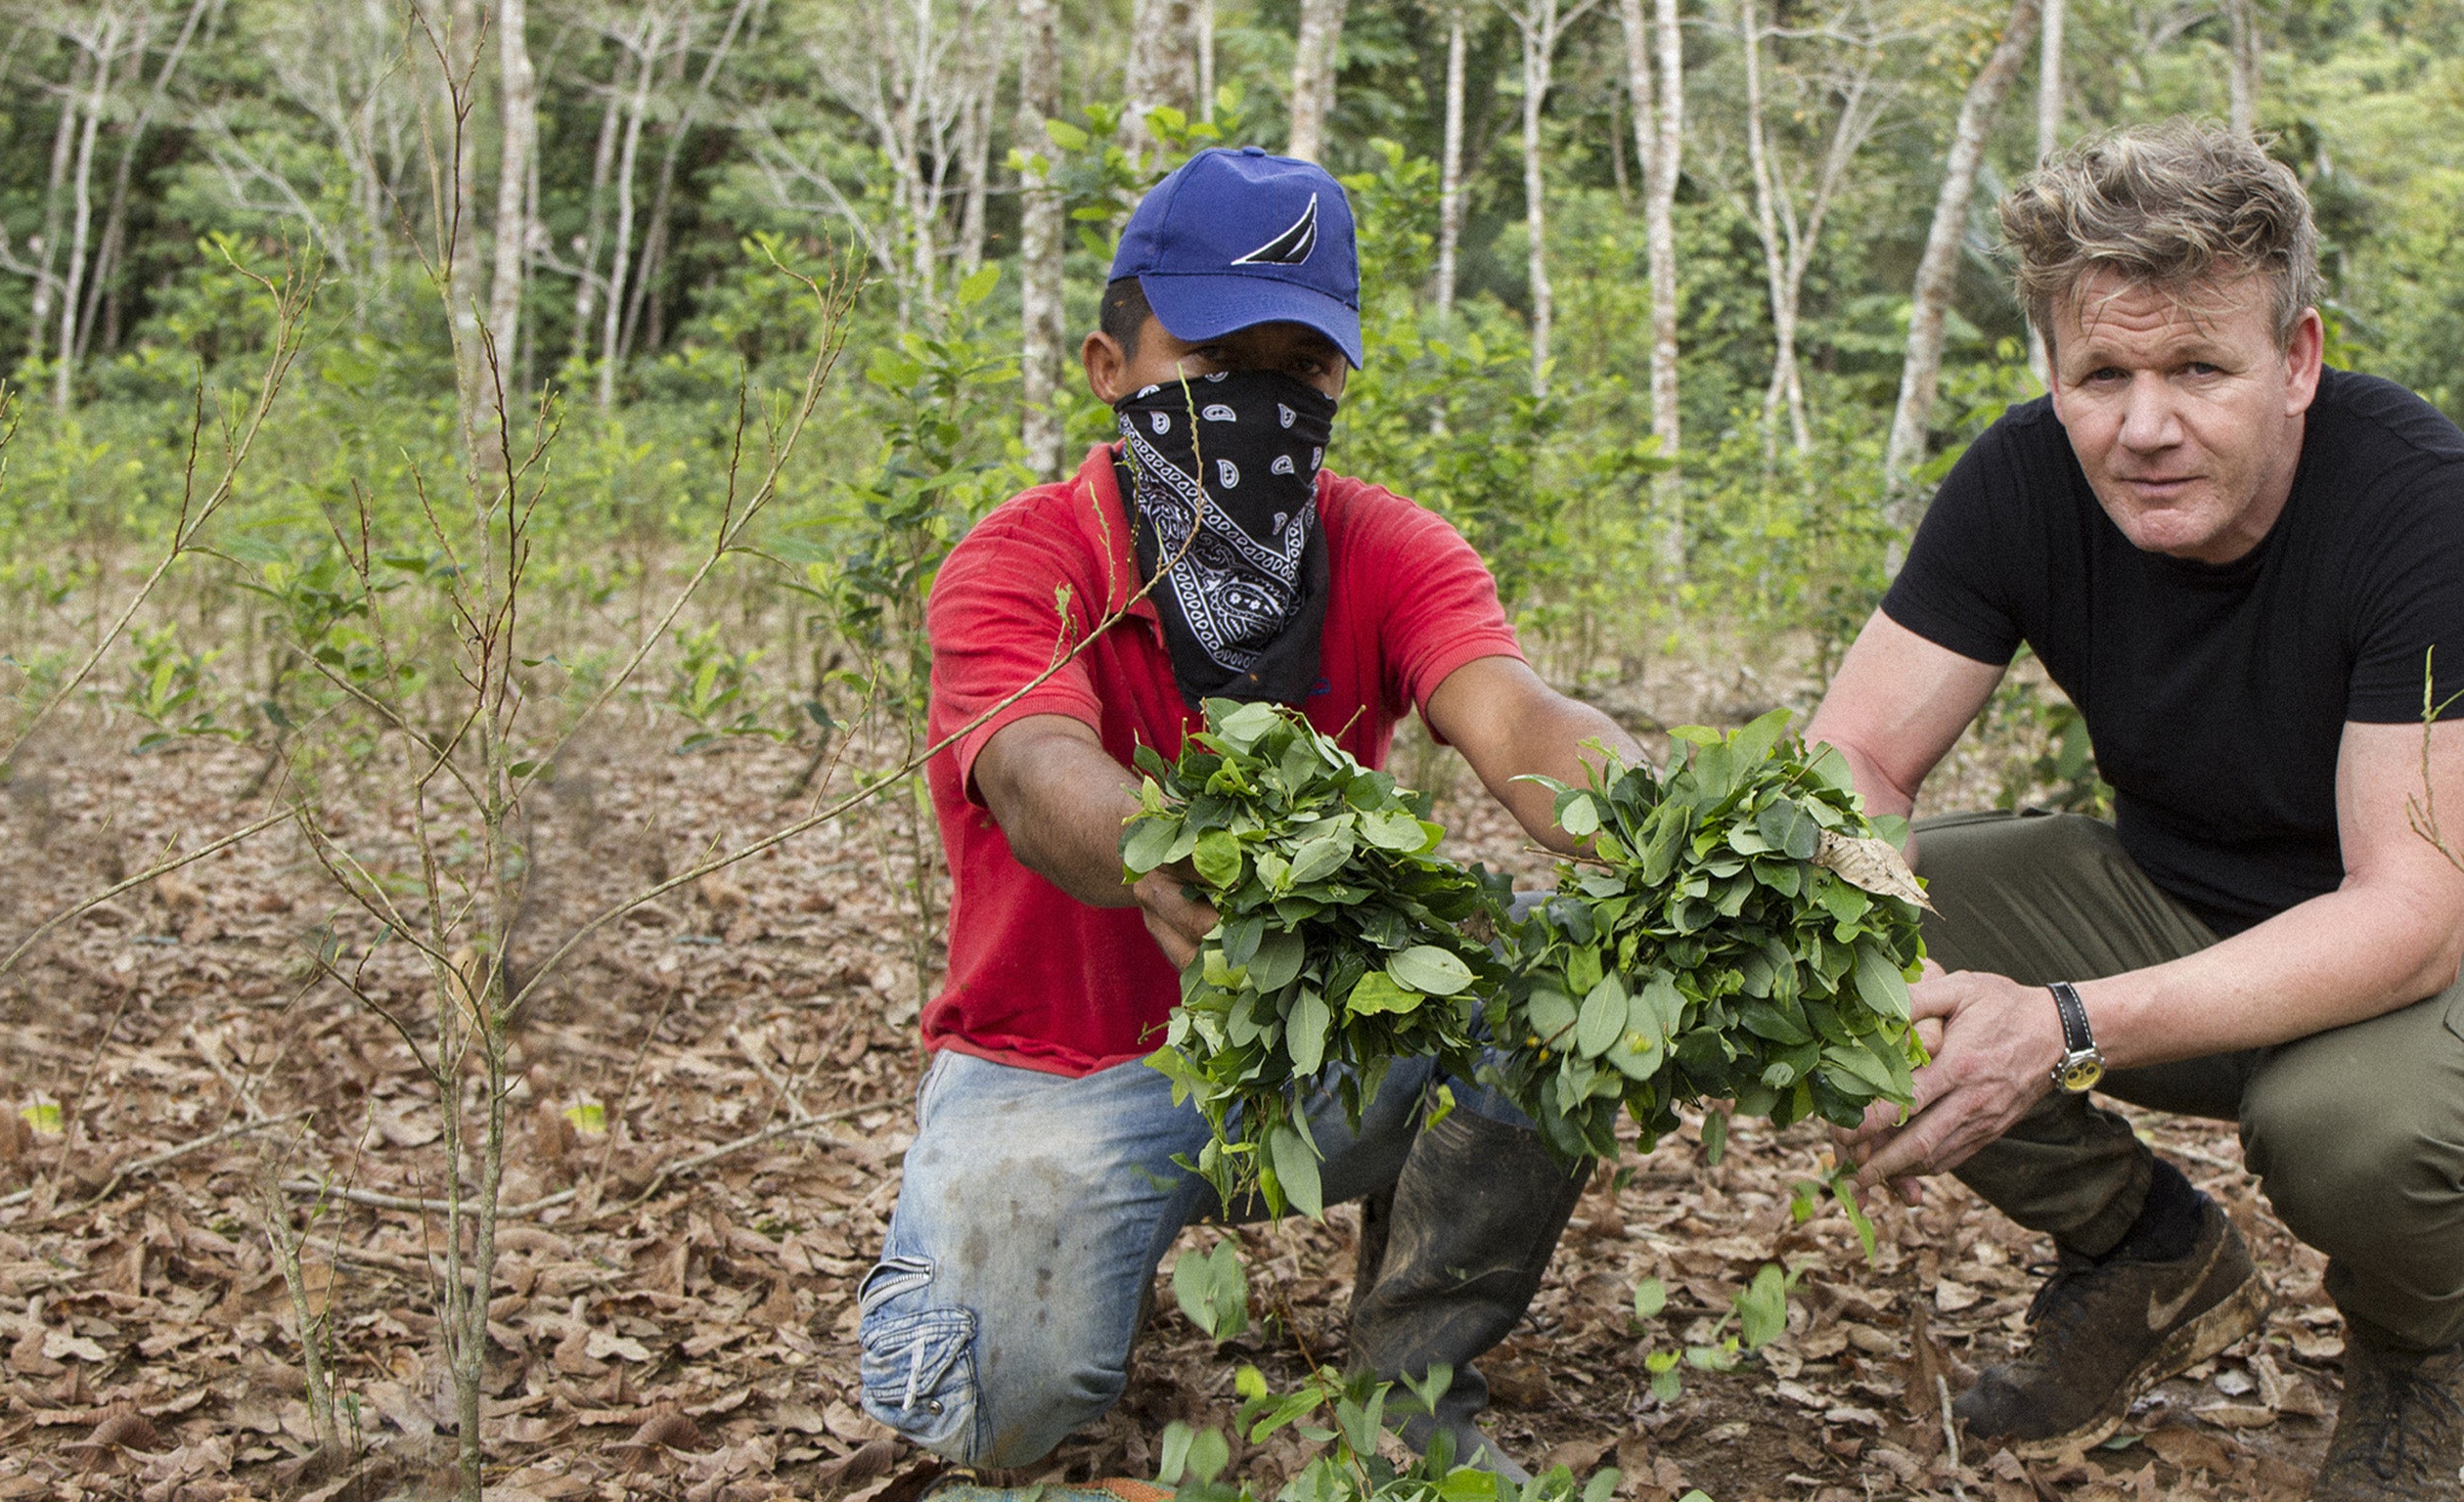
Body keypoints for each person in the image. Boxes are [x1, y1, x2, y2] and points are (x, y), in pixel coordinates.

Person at [856, 146, 1643, 1480]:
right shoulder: (1025, 558)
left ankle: (1408, 1392)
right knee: (991, 1412)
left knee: (1554, 983)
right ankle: (1018, 1267)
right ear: (1113, 372)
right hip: (1064, 1065)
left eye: (1298, 375)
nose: (1258, 410)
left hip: (1317, 1043)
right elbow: (1035, 766)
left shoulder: (1384, 545)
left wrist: (1646, 812)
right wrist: (1163, 858)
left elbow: (1509, 712)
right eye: (1215, 370)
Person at [1809, 122, 2464, 1499]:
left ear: (2296, 361)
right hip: (2167, 893)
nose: (2145, 425)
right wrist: (1862, 923)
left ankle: (2424, 1352)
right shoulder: (2023, 478)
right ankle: (2142, 1249)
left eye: (2198, 369)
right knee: (1797, 936)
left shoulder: (2419, 507)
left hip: (2418, 962)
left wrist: (2060, 1028)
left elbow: (2408, 916)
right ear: (2053, 369)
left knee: (2351, 1134)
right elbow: (1856, 751)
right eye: (2101, 372)